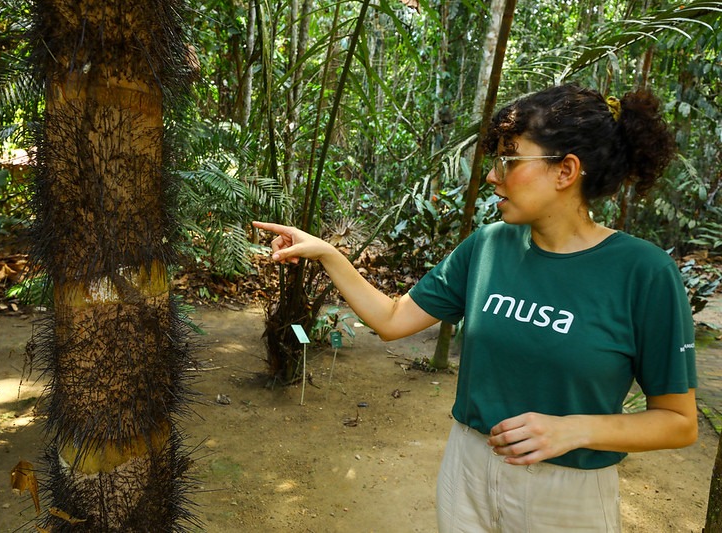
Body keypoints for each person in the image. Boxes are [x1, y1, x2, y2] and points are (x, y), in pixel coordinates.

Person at [253, 83, 697, 532]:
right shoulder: (487, 246)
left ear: (565, 170)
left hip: (568, 490)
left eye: (509, 159)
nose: (492, 175)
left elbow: (678, 422)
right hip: (468, 467)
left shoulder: (644, 272)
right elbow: (391, 319)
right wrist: (329, 253)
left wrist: (575, 430)